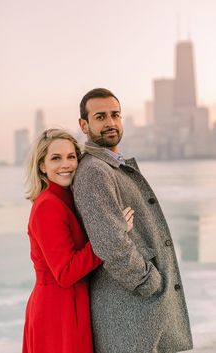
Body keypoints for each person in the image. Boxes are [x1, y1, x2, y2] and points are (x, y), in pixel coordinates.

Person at [73, 88, 193, 353]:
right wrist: (148, 282)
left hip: (141, 312)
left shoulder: (111, 166)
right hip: (129, 312)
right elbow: (111, 244)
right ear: (84, 125)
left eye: (115, 115)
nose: (110, 123)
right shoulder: (94, 171)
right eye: (100, 117)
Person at [21, 128, 134, 353]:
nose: (66, 164)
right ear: (42, 166)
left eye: (71, 157)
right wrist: (111, 235)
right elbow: (66, 273)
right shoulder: (48, 206)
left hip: (70, 304)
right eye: (56, 158)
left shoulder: (66, 199)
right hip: (58, 311)